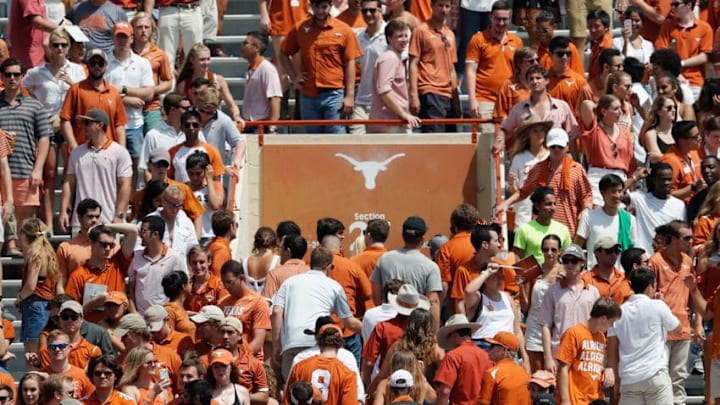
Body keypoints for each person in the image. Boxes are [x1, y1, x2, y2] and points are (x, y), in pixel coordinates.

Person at [22, 28, 85, 234]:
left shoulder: (77, 70)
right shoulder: (36, 72)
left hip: (69, 124)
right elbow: (22, 90)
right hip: (46, 125)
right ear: (49, 47)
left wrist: (72, 84)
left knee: (71, 173)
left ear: (69, 47)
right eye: (55, 44)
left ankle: (71, 217)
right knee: (48, 175)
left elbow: (85, 95)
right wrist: (33, 106)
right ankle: (48, 222)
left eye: (63, 45)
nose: (59, 48)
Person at [271, 247, 361, 381]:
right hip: (318, 345)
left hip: (291, 344)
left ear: (310, 263)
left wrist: (277, 346)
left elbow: (276, 312)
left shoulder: (289, 283)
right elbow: (349, 321)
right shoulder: (334, 286)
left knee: (292, 393)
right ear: (330, 267)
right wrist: (370, 329)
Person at [279, 0, 362, 134]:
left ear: (330, 6)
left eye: (324, 7)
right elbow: (283, 52)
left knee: (336, 137)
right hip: (309, 94)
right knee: (313, 140)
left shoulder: (344, 29)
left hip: (335, 93)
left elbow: (350, 62)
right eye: (316, 7)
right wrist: (294, 77)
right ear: (311, 6)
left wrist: (350, 95)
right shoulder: (300, 28)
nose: (320, 11)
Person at [498, 128, 592, 236]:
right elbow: (524, 192)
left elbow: (586, 196)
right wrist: (506, 203)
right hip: (540, 232)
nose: (556, 149)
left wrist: (586, 209)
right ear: (548, 146)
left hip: (567, 230)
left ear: (567, 146)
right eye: (553, 146)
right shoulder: (538, 169)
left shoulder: (577, 170)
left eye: (560, 146)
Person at [607, 268, 681, 404]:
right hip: (656, 375)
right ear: (649, 288)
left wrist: (616, 381)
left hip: (629, 379)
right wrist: (663, 305)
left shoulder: (618, 312)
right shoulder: (658, 306)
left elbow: (611, 351)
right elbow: (678, 330)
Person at [647, 220, 699, 404]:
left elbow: (693, 293)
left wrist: (696, 324)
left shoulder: (687, 260)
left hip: (683, 327)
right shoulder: (655, 260)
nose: (691, 241)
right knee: (660, 376)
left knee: (678, 377)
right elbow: (646, 293)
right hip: (660, 330)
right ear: (673, 239)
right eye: (687, 238)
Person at [58, 108, 132, 232]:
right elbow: (69, 183)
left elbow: (125, 185)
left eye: (87, 123)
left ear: (100, 125)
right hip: (80, 223)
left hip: (107, 221)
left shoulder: (119, 152)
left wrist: (119, 215)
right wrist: (63, 212)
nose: (83, 127)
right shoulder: (76, 152)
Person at [0, 58, 51, 230]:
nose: (12, 78)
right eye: (8, 75)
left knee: (25, 225)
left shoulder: (35, 105)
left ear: (22, 76)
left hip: (25, 169)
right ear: (2, 77)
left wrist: (38, 169)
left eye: (16, 74)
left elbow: (44, 137)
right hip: (0, 171)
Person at [105, 21, 154, 187]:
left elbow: (148, 93)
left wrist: (122, 89)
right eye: (119, 37)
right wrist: (127, 99)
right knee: (111, 165)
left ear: (131, 39)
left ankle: (128, 204)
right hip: (110, 123)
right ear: (113, 38)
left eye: (125, 37)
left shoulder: (142, 63)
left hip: (134, 123)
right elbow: (100, 91)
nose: (122, 41)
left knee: (132, 166)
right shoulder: (103, 62)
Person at [538, 244, 601, 373]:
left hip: (586, 354)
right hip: (560, 354)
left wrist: (599, 355)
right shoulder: (552, 291)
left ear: (582, 263)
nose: (570, 264)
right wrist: (548, 358)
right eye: (566, 261)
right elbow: (545, 326)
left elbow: (599, 326)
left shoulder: (593, 292)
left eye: (574, 261)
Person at [370, 216, 443, 327]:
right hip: (416, 327)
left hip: (389, 324)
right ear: (422, 239)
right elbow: (433, 301)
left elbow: (376, 293)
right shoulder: (431, 266)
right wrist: (434, 335)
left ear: (403, 236)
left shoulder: (384, 259)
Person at [497, 65, 578, 159]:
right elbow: (504, 129)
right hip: (528, 160)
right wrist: (499, 141)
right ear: (527, 83)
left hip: (556, 159)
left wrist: (576, 163)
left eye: (538, 78)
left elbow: (572, 136)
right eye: (531, 79)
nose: (535, 81)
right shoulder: (518, 109)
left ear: (547, 81)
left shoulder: (562, 106)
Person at [64, 223, 138, 323]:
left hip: (116, 328)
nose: (108, 249)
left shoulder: (117, 264)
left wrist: (104, 225)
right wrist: (92, 304)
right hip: (90, 330)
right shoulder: (78, 275)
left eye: (111, 245)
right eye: (103, 244)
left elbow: (133, 231)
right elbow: (69, 314)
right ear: (91, 243)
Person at [464, 0, 522, 128]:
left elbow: (520, 72)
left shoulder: (517, 42)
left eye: (505, 19)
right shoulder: (478, 39)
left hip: (509, 101)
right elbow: (470, 70)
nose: (501, 23)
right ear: (490, 17)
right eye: (498, 19)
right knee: (488, 140)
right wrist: (472, 99)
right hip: (485, 100)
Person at [556, 297, 621, 405]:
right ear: (603, 318)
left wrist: (606, 370)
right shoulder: (574, 333)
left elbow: (594, 363)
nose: (612, 326)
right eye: (612, 322)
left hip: (595, 398)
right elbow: (563, 368)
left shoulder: (601, 337)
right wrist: (565, 400)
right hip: (575, 399)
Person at [16, 217, 62, 361]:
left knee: (33, 355)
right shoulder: (50, 253)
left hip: (35, 304)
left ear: (25, 235)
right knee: (43, 352)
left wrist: (19, 299)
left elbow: (31, 285)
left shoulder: (35, 254)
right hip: (47, 304)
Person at [408, 0, 457, 133]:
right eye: (440, 5)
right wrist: (413, 95)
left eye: (447, 6)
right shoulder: (421, 30)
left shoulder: (450, 34)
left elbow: (452, 68)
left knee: (452, 142)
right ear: (432, 6)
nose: (444, 10)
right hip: (430, 90)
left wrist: (456, 97)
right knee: (436, 139)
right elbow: (413, 64)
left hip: (448, 94)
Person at [579, 94, 636, 206]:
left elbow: (631, 163)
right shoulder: (594, 129)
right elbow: (586, 104)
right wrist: (600, 105)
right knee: (597, 213)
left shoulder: (624, 133)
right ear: (604, 111)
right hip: (598, 177)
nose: (620, 111)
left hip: (620, 177)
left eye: (620, 108)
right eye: (615, 109)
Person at [286, 318, 358, 405]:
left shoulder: (300, 367)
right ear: (340, 344)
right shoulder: (347, 374)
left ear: (319, 343)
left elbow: (287, 400)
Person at [368, 20, 421, 133]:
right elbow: (384, 90)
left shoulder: (394, 57)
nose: (404, 40)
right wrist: (404, 114)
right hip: (388, 123)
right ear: (389, 38)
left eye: (406, 35)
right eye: (399, 36)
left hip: (392, 121)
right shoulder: (390, 58)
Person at [575, 174, 638, 267]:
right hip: (594, 275)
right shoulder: (589, 217)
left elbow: (633, 250)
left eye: (620, 191)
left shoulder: (629, 219)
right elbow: (577, 247)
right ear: (602, 193)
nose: (617, 195)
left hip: (620, 277)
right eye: (613, 191)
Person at [128, 215, 186, 313]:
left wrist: (174, 311)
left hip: (165, 316)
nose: (140, 235)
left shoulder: (174, 258)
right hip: (140, 317)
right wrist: (134, 312)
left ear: (155, 234)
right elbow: (130, 288)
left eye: (144, 231)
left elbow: (184, 288)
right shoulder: (135, 257)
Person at [521, 234, 561, 373]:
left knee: (555, 375)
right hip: (535, 327)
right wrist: (521, 286)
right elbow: (525, 308)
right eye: (546, 249)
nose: (549, 253)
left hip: (556, 329)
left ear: (559, 251)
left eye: (553, 250)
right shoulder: (533, 270)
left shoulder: (564, 272)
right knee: (536, 374)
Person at [656, 0, 713, 98]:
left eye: (676, 4)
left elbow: (704, 56)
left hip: (695, 82)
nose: (673, 8)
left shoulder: (704, 28)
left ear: (689, 5)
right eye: (672, 5)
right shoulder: (667, 26)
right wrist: (676, 72)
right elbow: (661, 52)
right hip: (672, 81)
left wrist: (681, 63)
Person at [626, 163, 687, 255]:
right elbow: (616, 193)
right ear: (654, 180)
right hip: (644, 258)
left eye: (669, 179)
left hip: (667, 260)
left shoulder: (679, 205)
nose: (667, 183)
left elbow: (681, 234)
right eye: (663, 180)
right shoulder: (640, 199)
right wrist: (636, 177)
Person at [434, 314, 492, 405]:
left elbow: (444, 391)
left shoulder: (453, 356)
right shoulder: (487, 356)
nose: (449, 341)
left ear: (455, 335)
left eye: (449, 336)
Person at [175, 44, 242, 124]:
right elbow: (179, 108)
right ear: (192, 60)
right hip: (193, 125)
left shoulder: (218, 80)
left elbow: (232, 105)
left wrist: (236, 116)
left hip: (214, 123)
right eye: (202, 60)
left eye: (208, 59)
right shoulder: (184, 83)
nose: (206, 63)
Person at [218, 260, 271, 358]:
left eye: (230, 282)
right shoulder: (222, 303)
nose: (226, 287)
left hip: (249, 361)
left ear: (241, 278)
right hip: (225, 360)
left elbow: (258, 341)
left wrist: (239, 359)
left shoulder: (258, 302)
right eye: (224, 283)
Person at [130, 13, 173, 134]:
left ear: (152, 30)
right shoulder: (126, 52)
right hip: (129, 106)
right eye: (139, 27)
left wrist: (151, 90)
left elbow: (168, 82)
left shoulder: (159, 54)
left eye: (146, 27)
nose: (143, 31)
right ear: (132, 29)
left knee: (153, 143)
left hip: (151, 107)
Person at [505, 114, 550, 229]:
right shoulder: (519, 158)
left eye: (542, 130)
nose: (539, 134)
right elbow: (513, 190)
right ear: (528, 134)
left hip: (549, 212)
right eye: (535, 131)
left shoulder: (551, 156)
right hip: (524, 214)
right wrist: (511, 184)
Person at [193, 86, 246, 177]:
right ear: (197, 104)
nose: (205, 115)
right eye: (202, 111)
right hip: (189, 173)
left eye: (209, 113)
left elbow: (239, 142)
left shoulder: (223, 120)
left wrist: (236, 162)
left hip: (214, 175)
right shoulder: (187, 118)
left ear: (216, 108)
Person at [349, 0, 385, 134]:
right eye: (364, 11)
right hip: (361, 102)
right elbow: (348, 64)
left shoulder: (391, 34)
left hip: (386, 103)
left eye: (372, 10)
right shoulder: (358, 37)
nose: (368, 14)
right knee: (357, 146)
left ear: (380, 10)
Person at [34, 301, 102, 370]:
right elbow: (50, 377)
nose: (69, 320)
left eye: (74, 317)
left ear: (81, 319)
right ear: (59, 319)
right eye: (65, 317)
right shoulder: (48, 350)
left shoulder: (93, 351)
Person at [137, 94, 191, 178]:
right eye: (185, 109)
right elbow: (146, 169)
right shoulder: (153, 136)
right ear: (172, 109)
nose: (189, 111)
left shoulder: (194, 132)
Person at [492, 48, 538, 147]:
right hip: (516, 143)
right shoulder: (508, 85)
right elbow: (500, 116)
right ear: (520, 64)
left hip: (538, 141)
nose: (536, 63)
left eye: (537, 60)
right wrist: (501, 139)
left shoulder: (542, 83)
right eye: (531, 61)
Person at [513, 187, 572, 264]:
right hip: (533, 275)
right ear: (537, 205)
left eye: (554, 204)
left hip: (556, 275)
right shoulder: (524, 230)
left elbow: (568, 258)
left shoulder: (563, 229)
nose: (553, 208)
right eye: (548, 204)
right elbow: (517, 260)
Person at [546, 37, 593, 129]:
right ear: (550, 55)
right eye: (560, 54)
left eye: (568, 54)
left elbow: (587, 112)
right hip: (550, 132)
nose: (565, 57)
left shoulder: (580, 82)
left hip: (573, 133)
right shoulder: (544, 80)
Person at [168, 110, 225, 183]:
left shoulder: (212, 151)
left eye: (195, 125)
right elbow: (169, 178)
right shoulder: (173, 152)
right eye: (187, 125)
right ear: (181, 128)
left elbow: (217, 180)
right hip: (181, 193)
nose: (191, 128)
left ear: (200, 126)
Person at [240, 31, 281, 132]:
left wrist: (272, 128)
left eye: (246, 43)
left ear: (257, 48)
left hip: (261, 126)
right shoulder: (251, 69)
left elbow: (275, 98)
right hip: (249, 124)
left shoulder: (267, 69)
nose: (242, 46)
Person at [144, 185, 199, 260]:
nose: (174, 209)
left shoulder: (186, 221)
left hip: (180, 268)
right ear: (163, 201)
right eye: (171, 205)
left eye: (178, 205)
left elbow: (193, 249)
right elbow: (139, 248)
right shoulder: (149, 221)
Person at [37, 330, 95, 399]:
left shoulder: (82, 375)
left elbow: (92, 400)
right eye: (53, 346)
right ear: (48, 349)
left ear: (69, 348)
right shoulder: (40, 376)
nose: (57, 349)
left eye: (62, 346)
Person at [478, 331, 531, 405]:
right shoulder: (524, 373)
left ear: (504, 350)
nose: (488, 349)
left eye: (492, 346)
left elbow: (483, 403)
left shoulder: (491, 374)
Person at [185, 152, 224, 245]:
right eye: (191, 173)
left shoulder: (215, 186)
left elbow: (215, 205)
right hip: (189, 236)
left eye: (198, 173)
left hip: (210, 235)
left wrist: (209, 180)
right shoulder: (184, 188)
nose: (194, 177)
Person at [661, 120, 704, 202]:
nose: (700, 138)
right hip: (681, 208)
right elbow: (668, 194)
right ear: (682, 141)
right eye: (696, 137)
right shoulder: (670, 161)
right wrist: (693, 188)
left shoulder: (693, 152)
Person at [261, 233, 309, 299]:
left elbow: (266, 303)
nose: (279, 252)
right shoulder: (313, 273)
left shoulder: (275, 274)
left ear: (288, 251)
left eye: (281, 248)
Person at [186, 245, 229, 312]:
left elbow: (222, 313)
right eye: (194, 263)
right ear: (189, 263)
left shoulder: (219, 285)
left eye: (201, 262)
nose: (198, 266)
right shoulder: (186, 286)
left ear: (209, 261)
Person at [639, 95, 678, 163]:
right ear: (659, 112)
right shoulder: (651, 134)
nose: (673, 110)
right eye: (669, 108)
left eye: (675, 107)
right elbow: (655, 160)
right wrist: (678, 159)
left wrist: (662, 157)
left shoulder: (679, 130)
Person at [242, 227, 280, 293]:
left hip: (250, 300)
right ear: (274, 241)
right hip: (269, 300)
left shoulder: (245, 261)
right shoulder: (277, 260)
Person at [586, 9, 613, 86]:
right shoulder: (596, 43)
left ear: (606, 27)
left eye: (597, 26)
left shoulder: (609, 46)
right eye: (590, 26)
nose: (592, 30)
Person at [207, 210, 238, 277]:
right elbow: (218, 278)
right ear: (231, 227)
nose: (237, 228)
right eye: (236, 224)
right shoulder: (222, 250)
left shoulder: (212, 244)